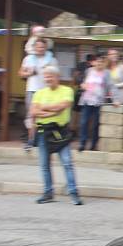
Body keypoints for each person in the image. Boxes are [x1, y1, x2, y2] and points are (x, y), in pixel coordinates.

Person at [31, 65, 81, 205]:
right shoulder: (39, 93)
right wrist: (52, 112)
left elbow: (62, 106)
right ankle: (48, 193)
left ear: (57, 77)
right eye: (45, 76)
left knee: (67, 163)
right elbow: (33, 112)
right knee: (44, 164)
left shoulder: (67, 90)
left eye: (50, 76)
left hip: (60, 132)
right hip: (43, 131)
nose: (48, 79)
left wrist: (43, 108)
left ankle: (73, 193)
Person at [19, 39, 58, 150]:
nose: (40, 49)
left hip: (46, 91)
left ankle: (44, 139)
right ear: (34, 47)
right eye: (38, 47)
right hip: (32, 90)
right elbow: (21, 73)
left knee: (45, 115)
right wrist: (29, 73)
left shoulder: (51, 59)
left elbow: (56, 75)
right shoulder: (28, 59)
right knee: (31, 116)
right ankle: (31, 141)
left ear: (46, 48)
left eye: (42, 47)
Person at [78, 55, 109, 151]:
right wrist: (82, 85)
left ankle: (94, 144)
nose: (99, 64)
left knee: (96, 124)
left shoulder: (106, 73)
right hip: (87, 99)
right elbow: (83, 82)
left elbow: (111, 86)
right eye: (97, 61)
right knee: (84, 122)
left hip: (98, 101)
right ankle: (82, 143)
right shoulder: (89, 71)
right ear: (94, 62)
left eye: (101, 62)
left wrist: (116, 99)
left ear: (104, 63)